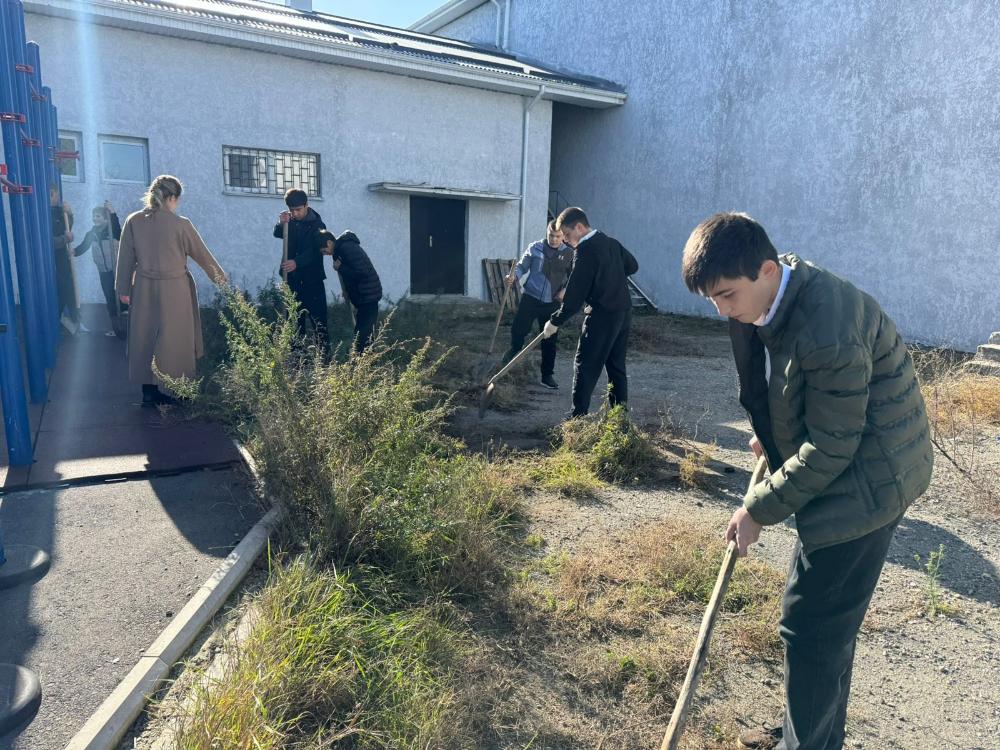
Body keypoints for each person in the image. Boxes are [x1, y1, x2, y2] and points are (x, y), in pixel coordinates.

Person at [680, 212, 933, 750]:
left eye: (726, 296)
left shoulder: (829, 326)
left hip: (870, 485)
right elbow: (792, 387)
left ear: (768, 269)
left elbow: (834, 446)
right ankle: (811, 732)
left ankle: (810, 741)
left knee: (812, 630)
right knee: (820, 628)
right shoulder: (774, 297)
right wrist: (773, 436)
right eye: (713, 301)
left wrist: (756, 510)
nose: (723, 310)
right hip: (849, 465)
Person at [116, 175, 226, 406]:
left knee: (145, 336)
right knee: (176, 339)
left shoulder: (133, 221)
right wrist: (222, 280)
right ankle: (180, 390)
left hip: (144, 287)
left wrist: (123, 289)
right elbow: (203, 256)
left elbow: (125, 258)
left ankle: (149, 391)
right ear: (173, 198)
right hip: (175, 289)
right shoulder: (181, 224)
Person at [543, 207, 638, 416]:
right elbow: (632, 266)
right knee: (616, 366)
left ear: (579, 227)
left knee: (585, 363)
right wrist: (610, 276)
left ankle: (577, 417)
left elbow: (574, 298)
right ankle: (619, 418)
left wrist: (555, 321)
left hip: (602, 316)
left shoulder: (585, 252)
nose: (566, 240)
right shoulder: (611, 243)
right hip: (623, 312)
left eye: (567, 235)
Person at [501, 220, 574, 389]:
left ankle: (547, 376)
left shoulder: (569, 254)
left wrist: (566, 291)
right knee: (518, 330)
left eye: (557, 236)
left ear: (563, 236)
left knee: (549, 339)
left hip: (552, 302)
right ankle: (510, 361)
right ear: (547, 233)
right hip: (531, 298)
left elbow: (574, 277)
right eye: (551, 235)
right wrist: (513, 277)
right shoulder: (535, 248)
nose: (554, 239)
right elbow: (521, 267)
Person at [273, 188, 328, 347]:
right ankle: (297, 363)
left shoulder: (318, 224)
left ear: (306, 205)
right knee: (294, 323)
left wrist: (297, 262)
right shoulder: (290, 221)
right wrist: (281, 223)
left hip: (313, 280)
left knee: (319, 323)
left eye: (298, 210)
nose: (295, 213)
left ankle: (323, 363)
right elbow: (278, 234)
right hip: (292, 280)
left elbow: (317, 250)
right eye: (292, 210)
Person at [316, 229, 382, 354]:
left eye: (324, 251)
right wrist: (347, 291)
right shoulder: (338, 252)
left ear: (329, 243)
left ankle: (361, 366)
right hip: (362, 296)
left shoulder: (348, 248)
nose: (326, 254)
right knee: (365, 335)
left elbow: (362, 273)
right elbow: (349, 276)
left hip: (369, 295)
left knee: (361, 336)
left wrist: (341, 267)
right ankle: (369, 365)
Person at [74, 201, 124, 336]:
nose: (95, 219)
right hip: (104, 272)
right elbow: (84, 246)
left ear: (105, 218)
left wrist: (112, 212)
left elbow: (119, 231)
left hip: (117, 270)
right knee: (109, 298)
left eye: (98, 216)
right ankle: (116, 328)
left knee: (121, 298)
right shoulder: (92, 233)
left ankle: (127, 324)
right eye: (94, 216)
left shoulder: (112, 229)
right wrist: (73, 252)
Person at [50, 184, 84, 333]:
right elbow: (46, 242)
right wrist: (65, 238)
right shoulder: (42, 214)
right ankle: (59, 319)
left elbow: (67, 226)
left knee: (68, 287)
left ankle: (74, 320)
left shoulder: (56, 211)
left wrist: (70, 214)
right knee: (63, 288)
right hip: (51, 258)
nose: (57, 198)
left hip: (61, 256)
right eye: (55, 195)